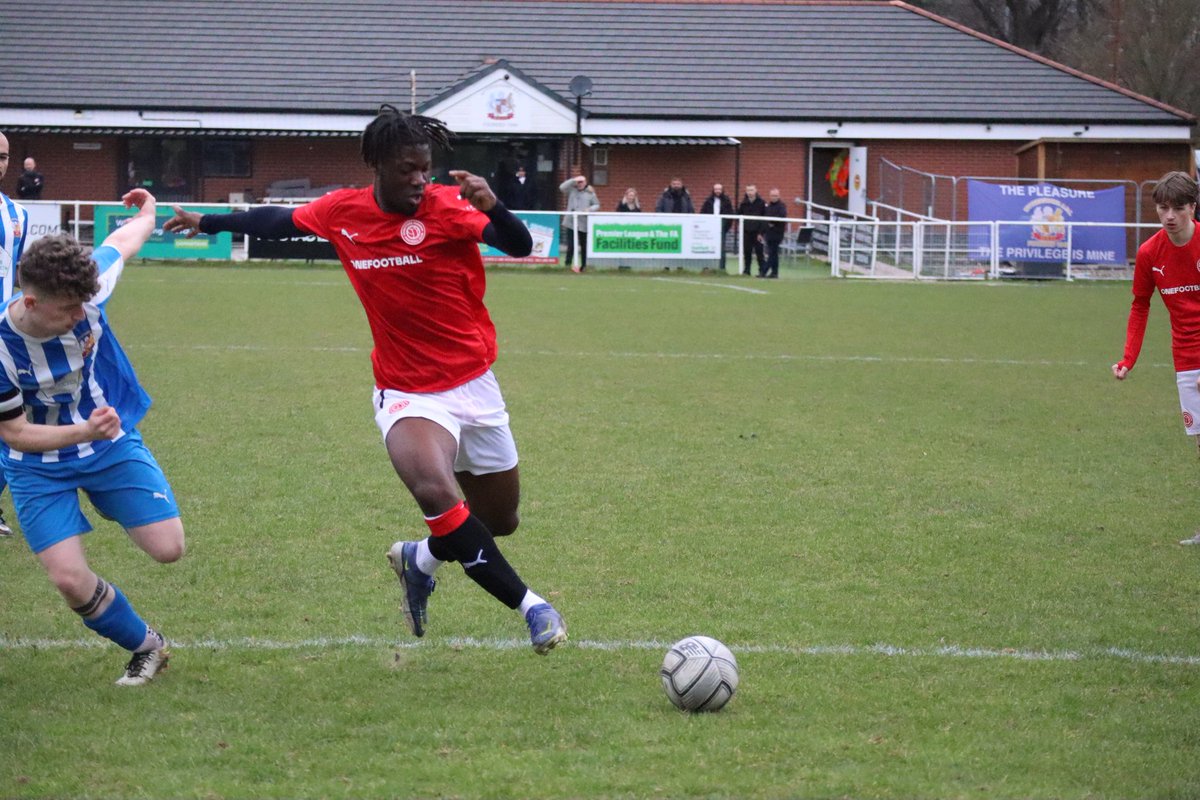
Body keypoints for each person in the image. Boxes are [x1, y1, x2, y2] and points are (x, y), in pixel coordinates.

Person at [165, 105, 567, 653]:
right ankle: (534, 608)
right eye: (407, 168)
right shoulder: (342, 212)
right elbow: (277, 223)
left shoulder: (448, 207)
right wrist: (205, 221)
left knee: (499, 520)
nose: (420, 179)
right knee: (435, 490)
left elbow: (519, 246)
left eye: (425, 168)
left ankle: (418, 559)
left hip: (474, 385)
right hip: (406, 393)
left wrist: (492, 204)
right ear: (377, 164)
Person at [1, 188, 182, 685]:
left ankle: (104, 494)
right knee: (68, 579)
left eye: (85, 304)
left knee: (169, 548)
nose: (81, 316)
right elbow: (14, 433)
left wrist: (147, 212)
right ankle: (147, 645)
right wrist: (82, 430)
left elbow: (123, 241)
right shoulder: (0, 349)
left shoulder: (88, 288)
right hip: (36, 463)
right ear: (31, 302)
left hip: (108, 445)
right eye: (67, 310)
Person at [1112, 170, 1200, 546]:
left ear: (1192, 208)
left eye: (1178, 208)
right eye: (1163, 208)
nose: (1169, 216)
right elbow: (1140, 306)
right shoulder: (1150, 253)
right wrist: (1128, 358)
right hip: (1185, 359)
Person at [0, 133, 29, 536]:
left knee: (11, 427)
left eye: (3, 156)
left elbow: (19, 275)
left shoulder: (16, 215)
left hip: (2, 338)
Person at [559, 172, 599, 273]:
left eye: (582, 182)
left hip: (583, 223)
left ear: (585, 182)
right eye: (579, 182)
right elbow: (562, 187)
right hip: (571, 222)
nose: (580, 184)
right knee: (571, 245)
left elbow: (597, 205)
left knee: (584, 245)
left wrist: (589, 209)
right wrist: (573, 180)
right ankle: (568, 265)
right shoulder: (572, 190)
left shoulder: (590, 193)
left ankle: (584, 266)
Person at [700, 183, 734, 272]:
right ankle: (706, 268)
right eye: (716, 189)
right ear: (713, 190)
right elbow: (702, 213)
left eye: (719, 189)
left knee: (722, 248)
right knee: (707, 248)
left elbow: (730, 215)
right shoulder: (708, 201)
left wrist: (726, 228)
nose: (718, 191)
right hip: (709, 229)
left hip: (721, 228)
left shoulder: (727, 201)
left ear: (722, 190)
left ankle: (722, 268)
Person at [737, 185, 766, 276]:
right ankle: (747, 270)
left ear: (756, 191)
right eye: (748, 190)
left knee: (759, 253)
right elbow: (738, 216)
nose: (750, 192)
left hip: (757, 233)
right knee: (747, 252)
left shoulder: (761, 203)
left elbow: (764, 218)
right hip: (746, 232)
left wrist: (761, 233)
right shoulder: (743, 203)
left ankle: (762, 271)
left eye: (751, 190)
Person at [762, 188, 788, 279]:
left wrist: (772, 222)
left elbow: (781, 216)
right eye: (772, 195)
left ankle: (763, 271)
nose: (774, 197)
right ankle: (774, 273)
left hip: (777, 233)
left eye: (776, 196)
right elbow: (765, 217)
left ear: (779, 196)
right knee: (774, 254)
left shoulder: (782, 206)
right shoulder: (768, 206)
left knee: (772, 253)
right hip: (769, 233)